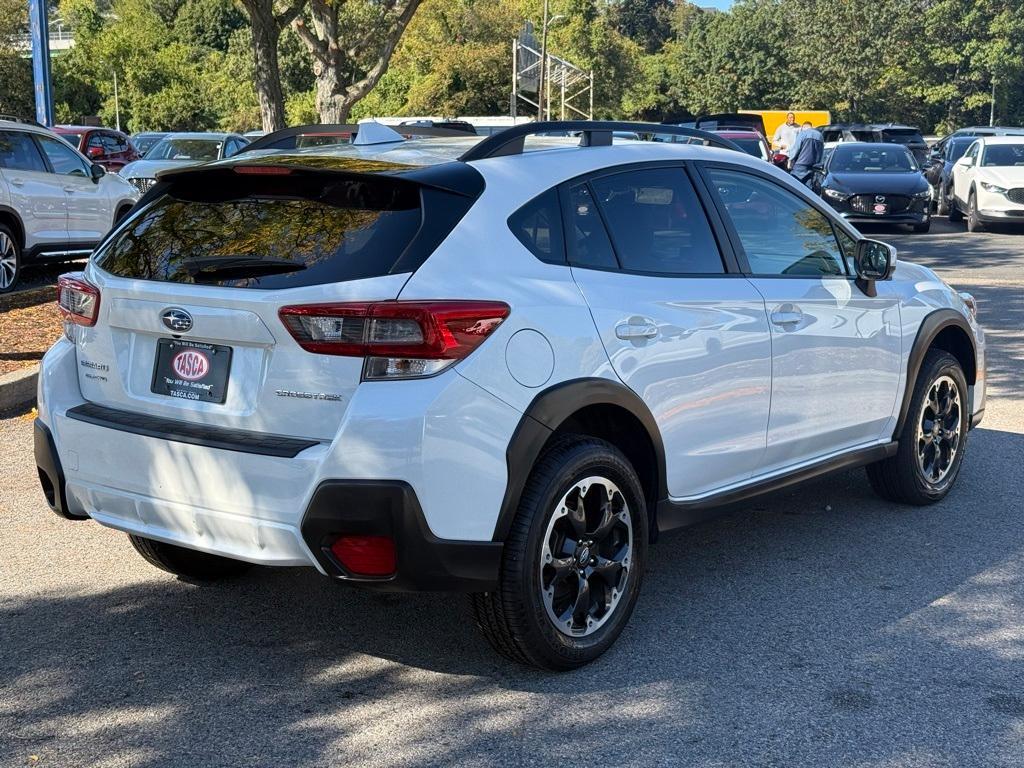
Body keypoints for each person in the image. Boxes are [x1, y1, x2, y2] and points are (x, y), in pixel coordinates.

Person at [789, 122, 823, 186]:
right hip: (814, 166)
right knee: (808, 187)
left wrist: (790, 159)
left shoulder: (802, 133)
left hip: (800, 164)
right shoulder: (820, 135)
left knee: (794, 185)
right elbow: (821, 152)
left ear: (803, 127)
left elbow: (796, 148)